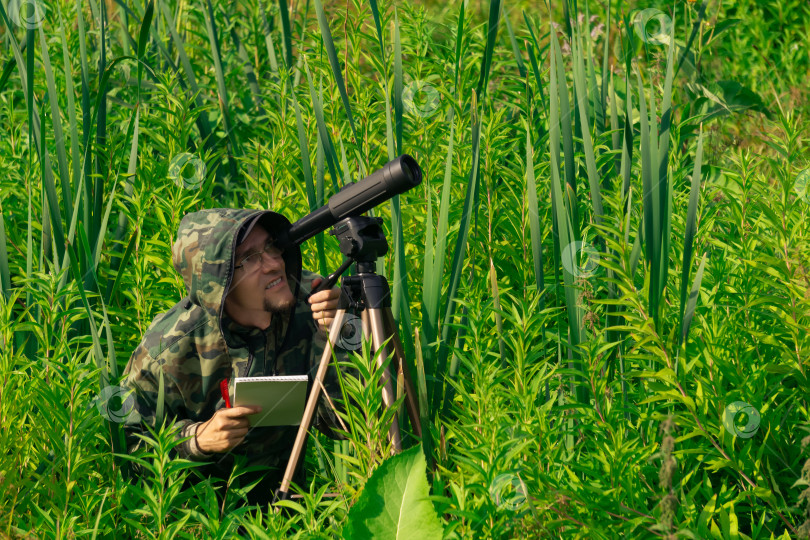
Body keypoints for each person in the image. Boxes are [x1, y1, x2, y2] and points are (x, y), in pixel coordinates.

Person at [121, 208, 344, 507]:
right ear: (217, 282)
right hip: (195, 520)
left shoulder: (312, 302)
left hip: (289, 512)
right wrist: (197, 439)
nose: (274, 263)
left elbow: (346, 423)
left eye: (272, 246)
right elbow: (129, 448)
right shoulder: (168, 350)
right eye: (249, 258)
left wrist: (344, 330)